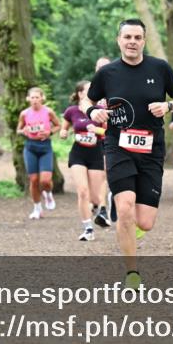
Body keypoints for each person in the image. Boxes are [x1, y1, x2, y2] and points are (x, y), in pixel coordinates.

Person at [87, 19, 173, 289]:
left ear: (144, 41)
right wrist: (92, 111)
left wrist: (168, 106)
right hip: (118, 145)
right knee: (125, 208)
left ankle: (129, 227)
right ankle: (132, 273)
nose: (132, 41)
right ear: (118, 40)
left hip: (152, 149)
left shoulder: (160, 67)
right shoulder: (107, 73)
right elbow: (89, 98)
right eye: (127, 36)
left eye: (138, 37)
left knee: (146, 221)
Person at [60, 79, 110, 241]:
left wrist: (96, 129)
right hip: (78, 153)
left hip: (96, 152)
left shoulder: (100, 110)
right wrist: (63, 133)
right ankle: (88, 229)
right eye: (89, 89)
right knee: (82, 191)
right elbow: (64, 127)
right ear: (80, 93)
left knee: (95, 198)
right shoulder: (71, 111)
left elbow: (109, 132)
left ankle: (100, 206)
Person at [16, 87, 61, 219]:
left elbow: (58, 125)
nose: (35, 100)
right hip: (30, 147)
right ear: (28, 99)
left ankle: (48, 193)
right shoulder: (24, 114)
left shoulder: (48, 112)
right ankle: (37, 208)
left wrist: (50, 132)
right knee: (34, 180)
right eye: (32, 97)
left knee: (46, 180)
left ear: (42, 98)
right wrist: (23, 131)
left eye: (37, 97)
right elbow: (18, 129)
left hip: (45, 147)